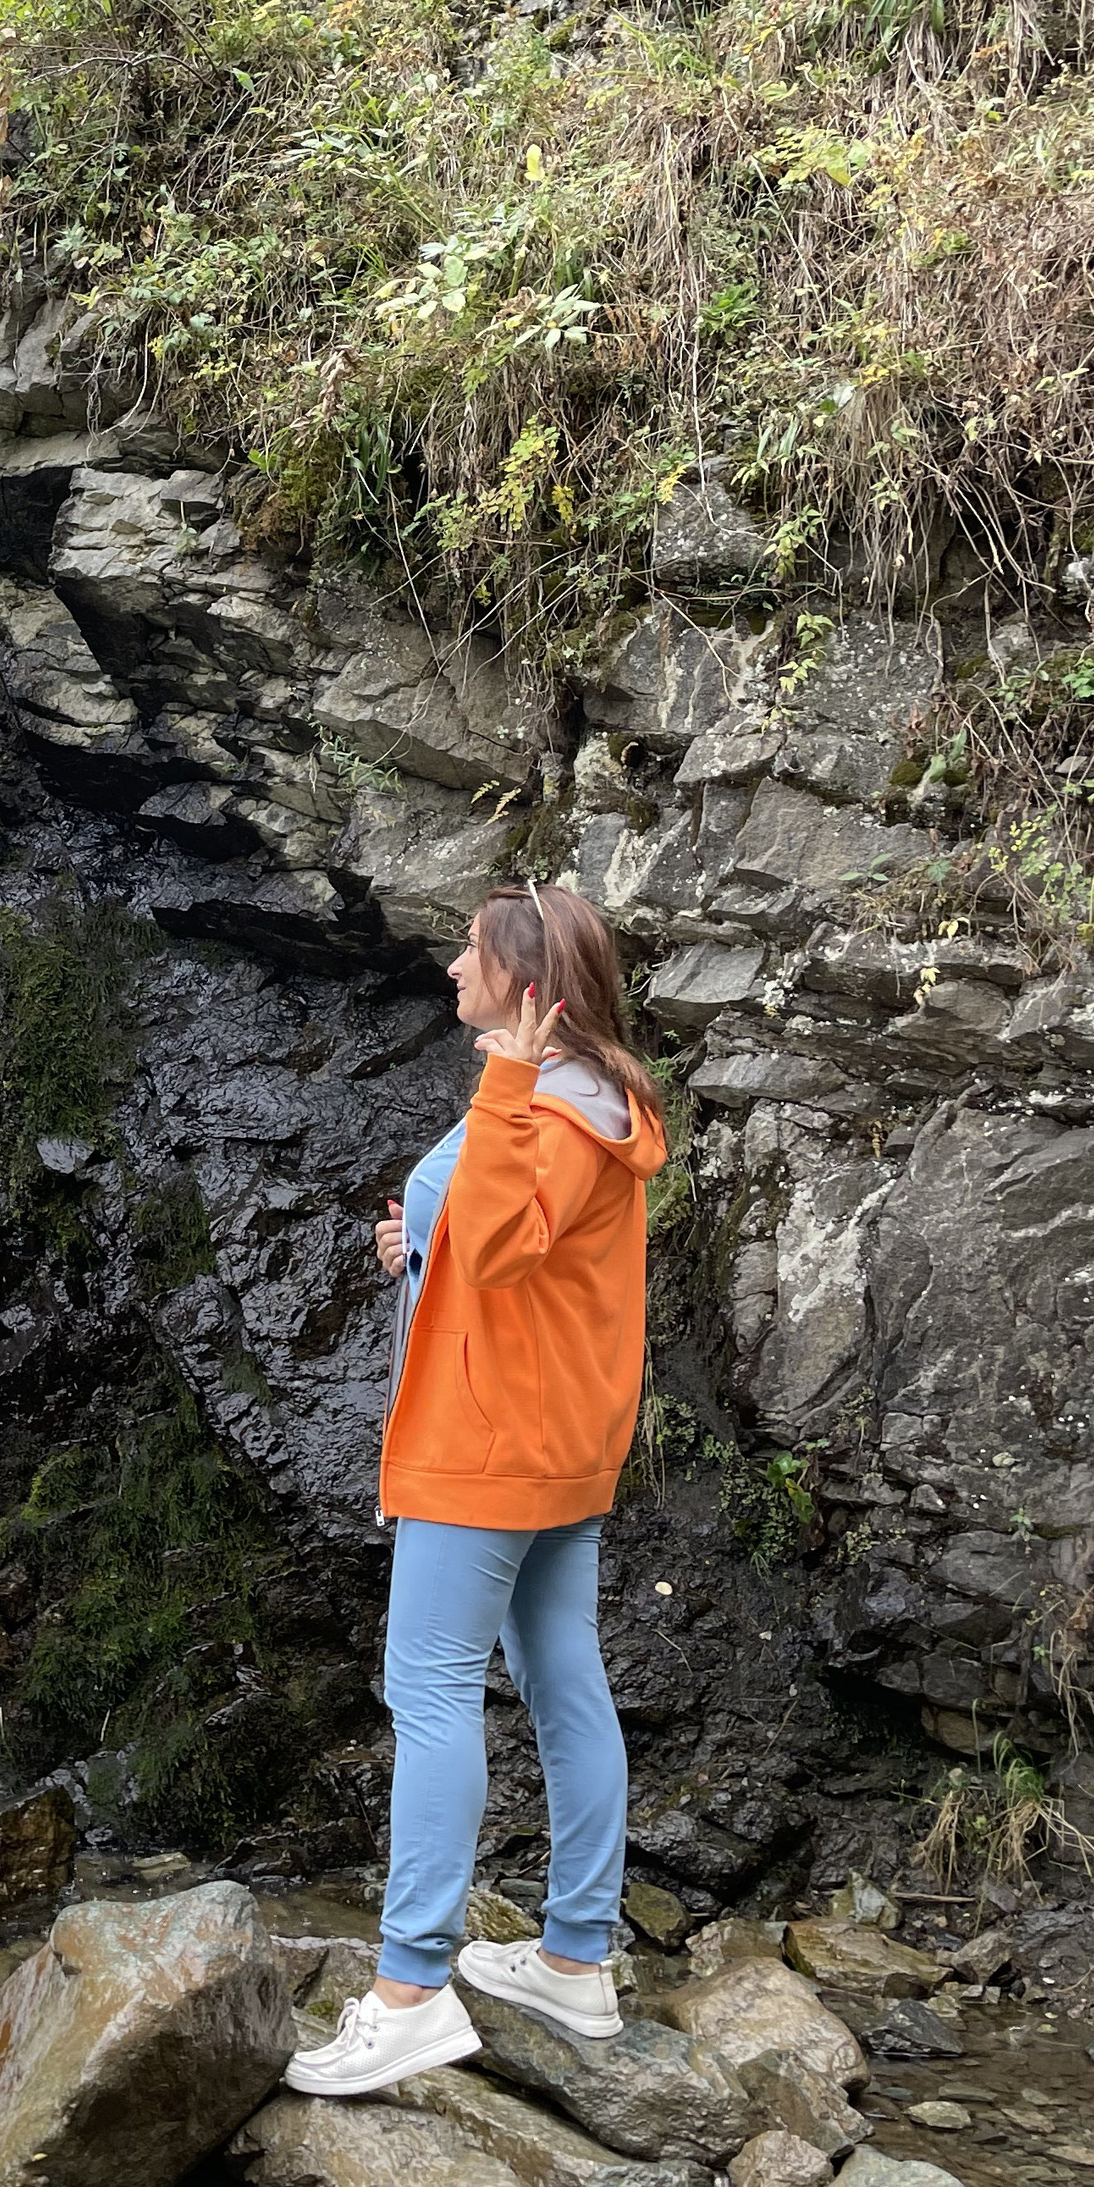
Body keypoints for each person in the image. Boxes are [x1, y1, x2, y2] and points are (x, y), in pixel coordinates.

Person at [288, 878, 668, 2097]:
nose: (452, 966)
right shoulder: (590, 1096)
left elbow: (503, 1243)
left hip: (489, 1440)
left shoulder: (543, 1100)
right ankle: (575, 1956)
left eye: (469, 952)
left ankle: (409, 1989)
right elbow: (514, 1244)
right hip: (555, 1433)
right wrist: (422, 1244)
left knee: (430, 1685)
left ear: (525, 985)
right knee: (561, 1672)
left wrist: (502, 1085)